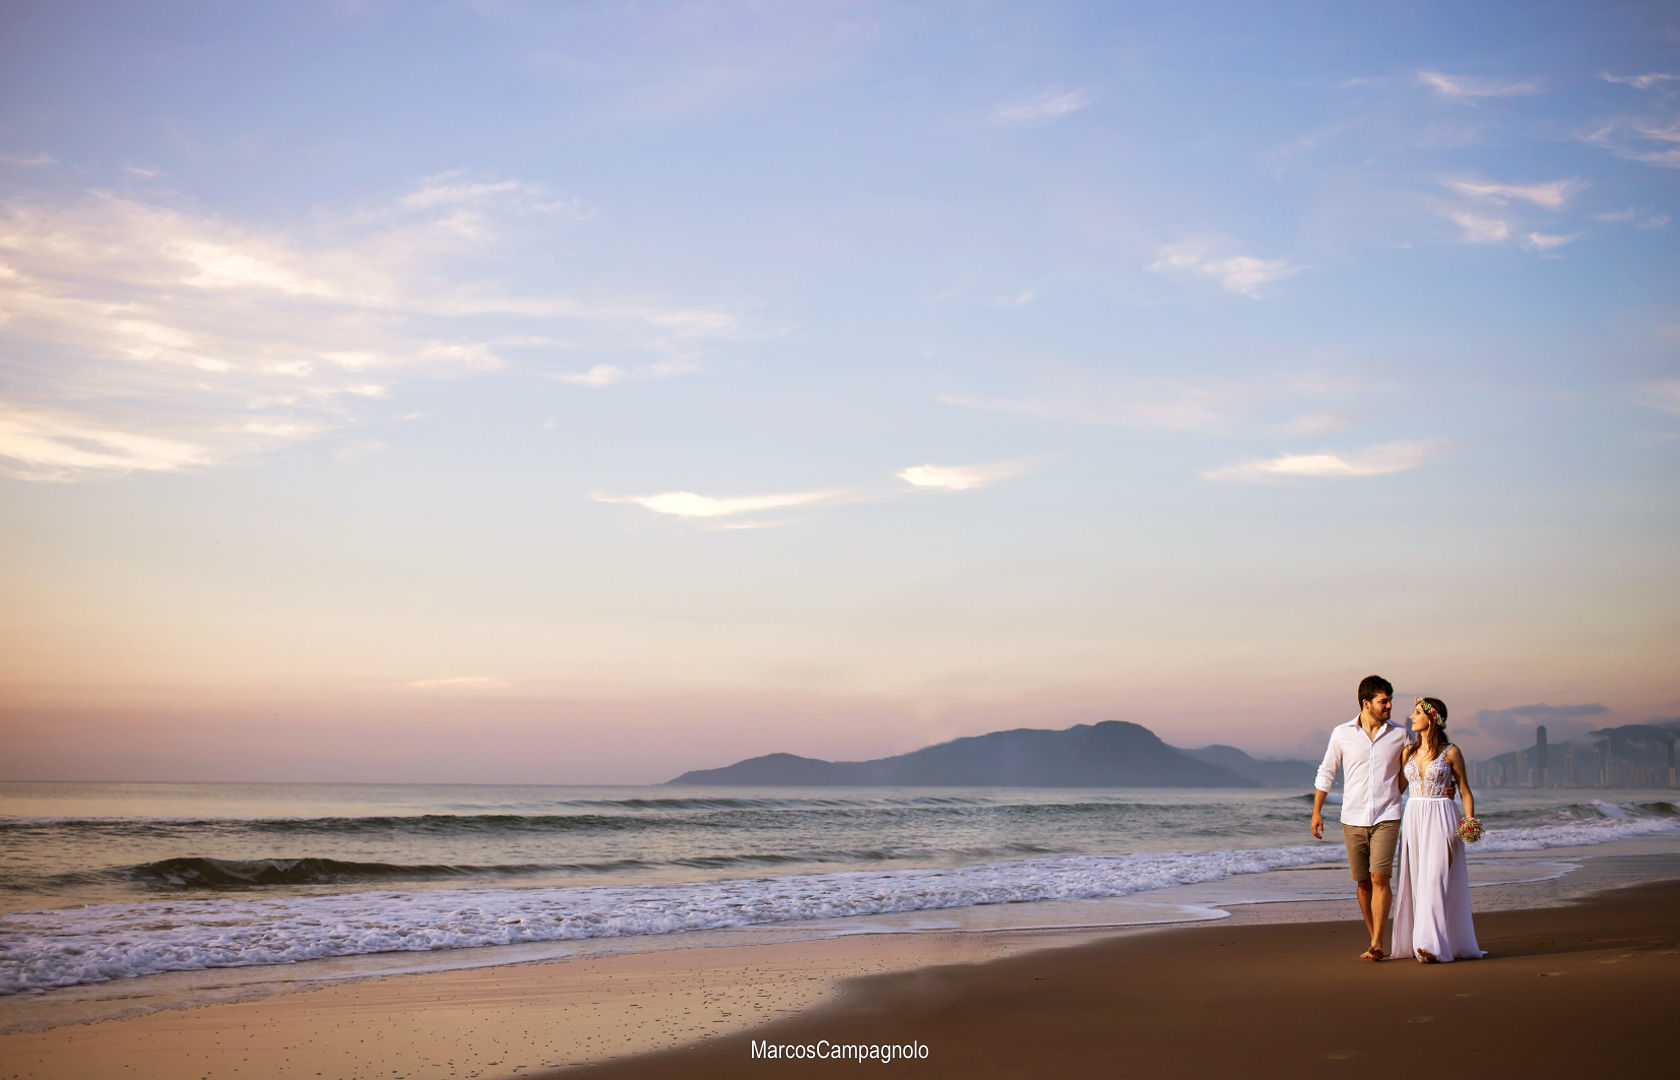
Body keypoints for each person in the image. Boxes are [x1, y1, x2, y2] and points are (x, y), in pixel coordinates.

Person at [1311, 675, 1407, 961]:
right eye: (1383, 701)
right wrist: (1317, 811)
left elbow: (1409, 771)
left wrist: (1398, 794)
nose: (1389, 706)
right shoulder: (1342, 733)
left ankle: (1377, 942)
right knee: (1363, 882)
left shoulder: (1401, 734)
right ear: (1367, 704)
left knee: (1380, 876)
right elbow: (1327, 771)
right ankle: (1373, 935)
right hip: (1352, 817)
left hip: (1388, 815)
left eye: (1390, 700)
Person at [1391, 697, 1485, 962]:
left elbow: (1464, 791)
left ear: (1432, 718)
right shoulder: (1407, 752)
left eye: (1417, 712)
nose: (1411, 716)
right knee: (1419, 881)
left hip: (1443, 816)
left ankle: (1429, 946)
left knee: (1435, 879)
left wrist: (1469, 821)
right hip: (1414, 818)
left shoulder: (1451, 752)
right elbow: (1398, 789)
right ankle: (1430, 941)